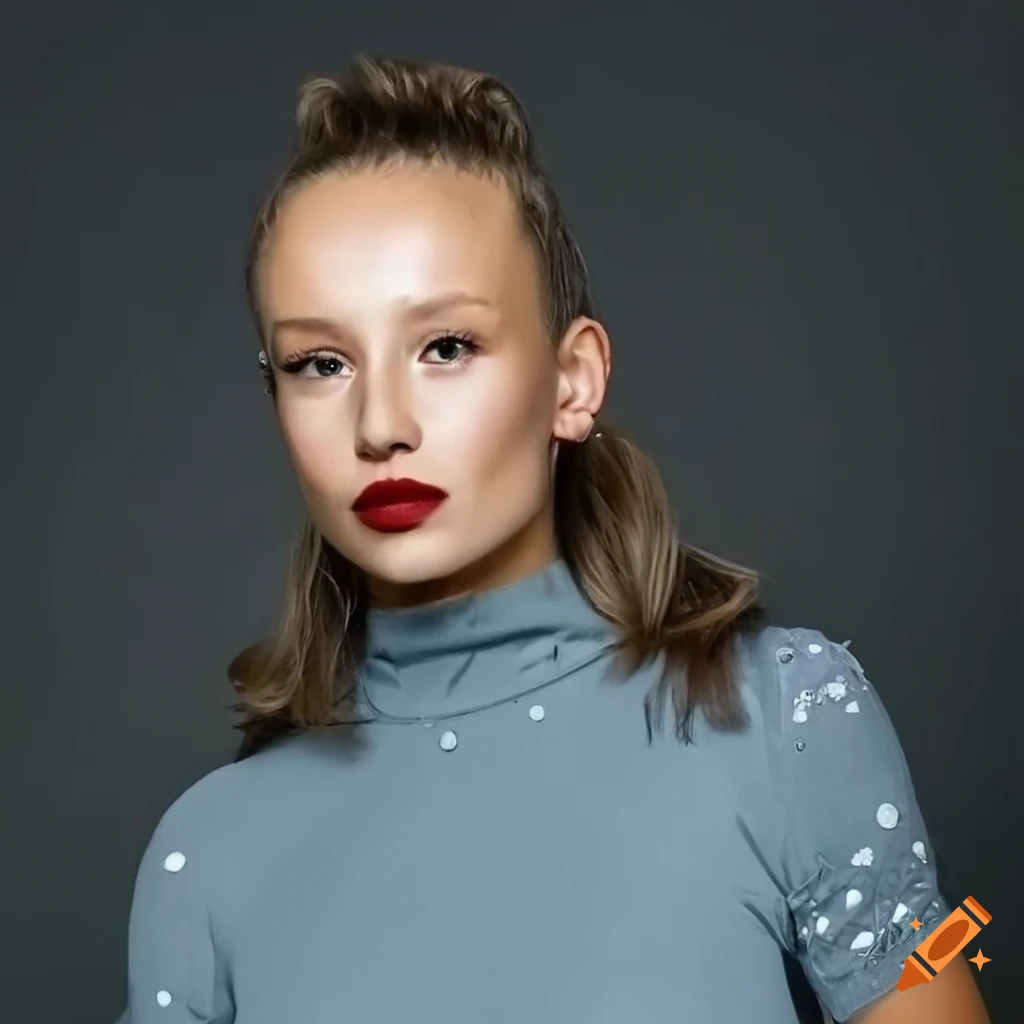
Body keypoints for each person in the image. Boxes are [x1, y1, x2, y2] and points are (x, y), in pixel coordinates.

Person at [115, 56, 989, 1024]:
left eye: (446, 346)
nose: (380, 424)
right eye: (321, 362)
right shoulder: (206, 857)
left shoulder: (782, 719)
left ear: (573, 380)